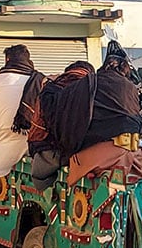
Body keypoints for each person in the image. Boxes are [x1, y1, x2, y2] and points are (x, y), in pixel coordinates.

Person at [52, 40, 142, 186]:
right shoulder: (128, 87)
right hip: (114, 156)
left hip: (80, 158)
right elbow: (134, 125)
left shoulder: (84, 84)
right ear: (124, 68)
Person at [28, 60, 95, 191]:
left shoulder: (49, 89)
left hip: (50, 154)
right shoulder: (95, 90)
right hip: (85, 154)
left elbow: (37, 130)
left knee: (39, 181)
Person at [0, 44, 45, 177]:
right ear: (28, 60)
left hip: (7, 140)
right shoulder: (39, 80)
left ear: (7, 60)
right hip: (37, 144)